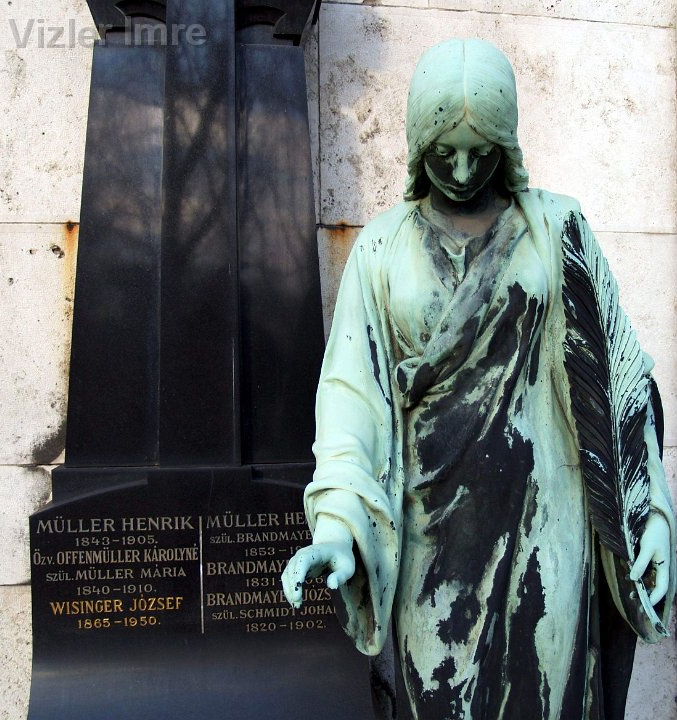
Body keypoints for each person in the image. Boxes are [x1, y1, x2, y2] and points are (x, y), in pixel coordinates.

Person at [281, 38, 675, 720]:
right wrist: (339, 526)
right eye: (444, 152)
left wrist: (651, 514)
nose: (462, 171)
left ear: (507, 144)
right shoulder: (381, 248)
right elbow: (351, 398)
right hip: (432, 538)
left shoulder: (556, 228)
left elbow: (618, 381)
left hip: (548, 523)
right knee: (436, 695)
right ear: (417, 144)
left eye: (481, 151)